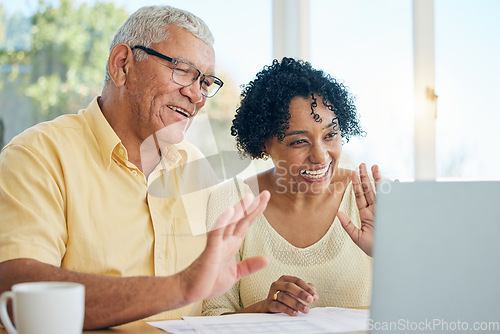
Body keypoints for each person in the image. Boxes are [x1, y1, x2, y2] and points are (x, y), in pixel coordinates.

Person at [0, 5, 270, 329]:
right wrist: (180, 287)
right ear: (122, 65)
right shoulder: (38, 156)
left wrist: (256, 315)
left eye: (206, 82)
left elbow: (199, 309)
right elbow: (16, 291)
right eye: (183, 70)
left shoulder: (198, 167)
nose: (196, 95)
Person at [202, 57, 381, 317]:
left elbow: (421, 309)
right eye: (299, 142)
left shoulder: (370, 199)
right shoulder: (231, 202)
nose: (321, 156)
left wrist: (389, 254)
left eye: (330, 135)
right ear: (263, 143)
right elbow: (211, 316)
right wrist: (263, 309)